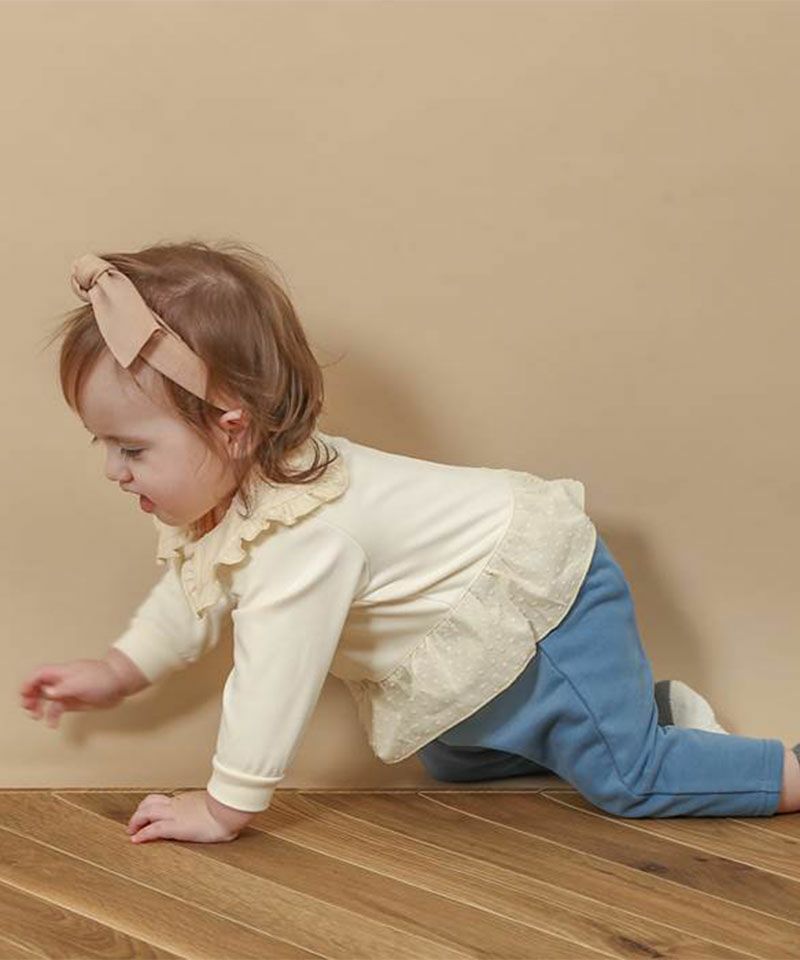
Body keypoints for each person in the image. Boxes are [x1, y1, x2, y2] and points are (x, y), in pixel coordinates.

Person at [18, 240, 800, 846]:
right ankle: (648, 713)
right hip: (476, 625)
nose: (114, 471)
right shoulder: (235, 501)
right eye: (104, 445)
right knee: (454, 753)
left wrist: (226, 806)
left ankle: (745, 761)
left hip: (542, 608)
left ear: (233, 428)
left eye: (131, 448)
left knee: (629, 779)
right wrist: (121, 668)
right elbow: (196, 589)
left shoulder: (305, 537)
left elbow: (273, 676)